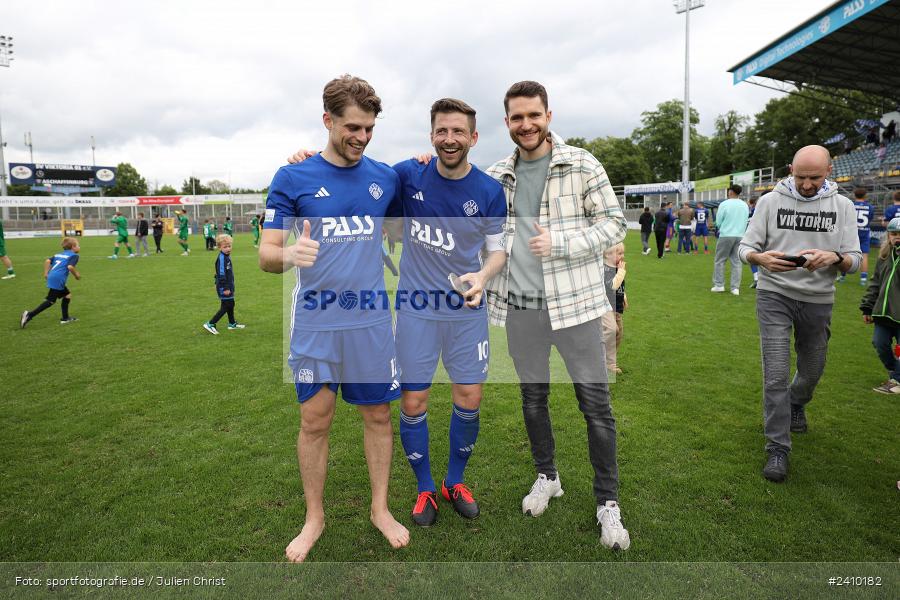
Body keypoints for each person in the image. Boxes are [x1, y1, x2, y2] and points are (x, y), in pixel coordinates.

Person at [288, 98, 508, 528]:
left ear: (473, 138)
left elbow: (498, 251)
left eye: (458, 132)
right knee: (413, 399)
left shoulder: (488, 190)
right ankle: (425, 488)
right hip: (414, 312)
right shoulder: (407, 174)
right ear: (431, 136)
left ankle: (454, 481)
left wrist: (483, 275)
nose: (449, 139)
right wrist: (306, 157)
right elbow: (348, 172)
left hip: (465, 312)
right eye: (441, 131)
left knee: (470, 397)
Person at [260, 74, 409, 562]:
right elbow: (266, 255)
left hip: (369, 325)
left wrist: (430, 160)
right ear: (327, 120)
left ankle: (380, 509)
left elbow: (421, 200)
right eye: (352, 127)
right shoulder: (292, 178)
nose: (361, 137)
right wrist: (289, 256)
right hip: (316, 324)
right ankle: (314, 518)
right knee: (314, 421)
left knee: (378, 415)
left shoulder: (385, 178)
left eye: (368, 128)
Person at [485, 81, 630, 550]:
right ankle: (547, 476)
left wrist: (562, 244)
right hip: (522, 308)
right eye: (516, 118)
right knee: (533, 400)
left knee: (596, 408)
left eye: (533, 115)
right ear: (506, 122)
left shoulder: (581, 162)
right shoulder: (496, 176)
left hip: (577, 308)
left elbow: (614, 222)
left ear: (548, 115)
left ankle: (607, 502)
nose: (525, 125)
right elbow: (450, 191)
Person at [739, 145, 861, 483]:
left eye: (815, 178)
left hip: (819, 299)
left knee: (811, 370)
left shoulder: (843, 207)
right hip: (774, 294)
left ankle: (796, 403)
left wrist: (834, 258)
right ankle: (778, 447)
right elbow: (745, 248)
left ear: (829, 171)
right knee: (775, 374)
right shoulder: (769, 201)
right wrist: (759, 259)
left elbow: (855, 260)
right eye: (800, 177)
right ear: (791, 169)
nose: (807, 185)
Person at [860, 217, 900, 394]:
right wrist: (867, 307)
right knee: (880, 343)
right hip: (883, 313)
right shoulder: (883, 256)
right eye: (894, 234)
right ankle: (896, 371)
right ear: (888, 235)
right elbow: (875, 282)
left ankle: (896, 381)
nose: (897, 237)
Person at [20, 237, 81, 328]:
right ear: (73, 247)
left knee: (67, 295)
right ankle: (29, 315)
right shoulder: (74, 256)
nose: (79, 247)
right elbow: (70, 267)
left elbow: (48, 261)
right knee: (51, 301)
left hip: (52, 275)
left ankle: (65, 318)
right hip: (58, 278)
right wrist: (76, 275)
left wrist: (46, 273)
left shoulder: (59, 254)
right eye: (78, 245)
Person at [202, 234, 245, 334]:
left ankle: (232, 323)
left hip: (228, 285)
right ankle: (210, 323)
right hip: (224, 286)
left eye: (229, 246)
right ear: (219, 247)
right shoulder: (222, 258)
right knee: (227, 305)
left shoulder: (226, 257)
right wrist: (225, 287)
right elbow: (221, 274)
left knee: (231, 303)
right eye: (225, 247)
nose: (228, 248)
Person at [712, 185, 749, 296]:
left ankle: (719, 285)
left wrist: (721, 226)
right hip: (740, 235)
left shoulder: (724, 204)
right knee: (737, 262)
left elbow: (718, 221)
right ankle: (735, 288)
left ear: (731, 192)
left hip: (726, 235)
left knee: (720, 260)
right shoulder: (744, 205)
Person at [602, 243, 626, 376]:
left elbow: (620, 284)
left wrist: (624, 295)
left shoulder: (617, 267)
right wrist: (621, 271)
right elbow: (613, 285)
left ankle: (610, 363)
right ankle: (596, 357)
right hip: (606, 307)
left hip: (616, 306)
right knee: (612, 330)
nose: (622, 256)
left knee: (618, 334)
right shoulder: (605, 269)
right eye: (619, 253)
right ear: (608, 254)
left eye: (623, 253)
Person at [847, 187, 874, 286]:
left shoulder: (851, 205)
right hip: (864, 232)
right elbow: (870, 218)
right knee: (865, 256)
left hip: (852, 232)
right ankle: (863, 279)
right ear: (865, 196)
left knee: (846, 253)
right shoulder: (870, 207)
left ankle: (842, 276)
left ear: (854, 195)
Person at [747, 197, 759, 288]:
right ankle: (757, 279)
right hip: (757, 236)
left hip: (755, 236)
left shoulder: (755, 210)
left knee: (753, 258)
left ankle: (757, 279)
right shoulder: (753, 210)